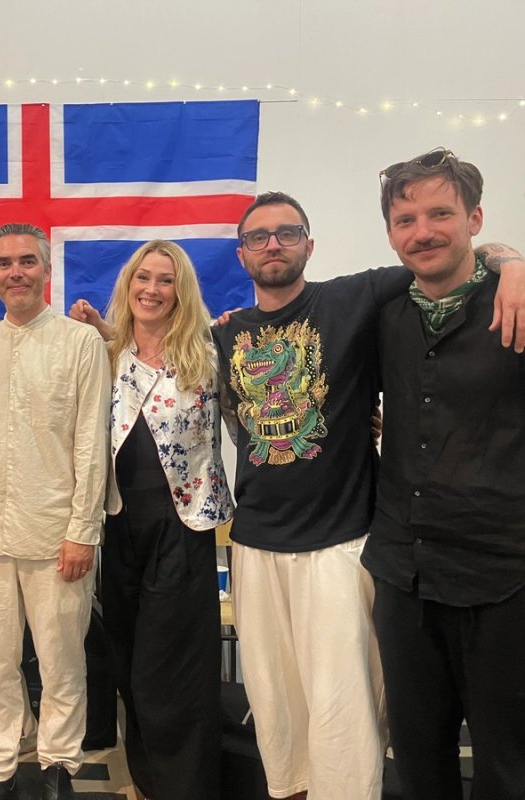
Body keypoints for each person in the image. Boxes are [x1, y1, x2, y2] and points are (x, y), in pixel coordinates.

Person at [213, 191, 525, 800]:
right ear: (242, 253)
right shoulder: (225, 334)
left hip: (340, 543)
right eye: (258, 236)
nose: (273, 244)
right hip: (254, 546)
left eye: (287, 233)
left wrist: (512, 264)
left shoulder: (352, 298)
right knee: (278, 719)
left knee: (345, 718)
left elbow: (443, 256)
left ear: (309, 244)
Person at [363, 148, 525, 799]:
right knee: (417, 760)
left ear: (474, 219)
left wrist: (512, 263)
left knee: (507, 763)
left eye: (440, 214)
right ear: (389, 233)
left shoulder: (515, 305)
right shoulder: (381, 315)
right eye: (405, 219)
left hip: (503, 576)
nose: (422, 231)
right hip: (404, 572)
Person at [0, 223, 111, 800]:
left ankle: (58, 766)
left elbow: (91, 444)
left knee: (62, 661)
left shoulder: (81, 343)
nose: (15, 272)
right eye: (3, 263)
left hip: (55, 531)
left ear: (46, 269)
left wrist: (83, 530)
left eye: (26, 261)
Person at [69, 240, 233, 800]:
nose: (153, 289)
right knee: (131, 661)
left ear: (180, 290)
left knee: (174, 666)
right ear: (128, 284)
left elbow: (260, 412)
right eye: (144, 277)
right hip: (118, 526)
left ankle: (186, 787)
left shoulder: (210, 351)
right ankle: (147, 781)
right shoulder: (105, 353)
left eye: (165, 280)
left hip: (183, 527)